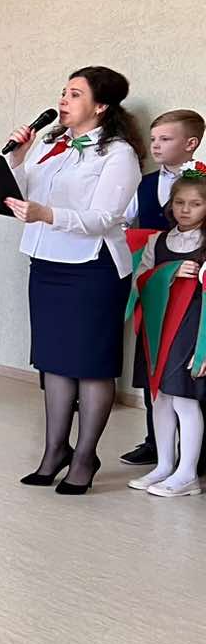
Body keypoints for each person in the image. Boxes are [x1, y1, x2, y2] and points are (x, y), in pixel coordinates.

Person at [6, 66, 143, 494]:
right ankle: (54, 451)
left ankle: (85, 457)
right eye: (63, 92)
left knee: (91, 364)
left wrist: (47, 214)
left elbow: (104, 218)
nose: (63, 100)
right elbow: (24, 195)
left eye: (75, 94)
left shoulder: (118, 154)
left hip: (93, 268)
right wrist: (17, 159)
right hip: (46, 262)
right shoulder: (54, 143)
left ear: (100, 106)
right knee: (54, 360)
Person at [119, 109, 204, 467]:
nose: (155, 145)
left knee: (189, 380)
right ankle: (156, 444)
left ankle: (195, 456)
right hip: (157, 282)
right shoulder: (144, 183)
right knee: (155, 367)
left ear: (191, 143)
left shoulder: (202, 180)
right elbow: (125, 222)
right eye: (153, 139)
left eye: (165, 139)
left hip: (194, 292)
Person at [125, 170, 206, 497]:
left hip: (191, 330)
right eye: (180, 202)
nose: (186, 210)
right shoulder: (156, 242)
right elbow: (140, 282)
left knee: (184, 399)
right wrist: (170, 271)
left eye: (196, 204)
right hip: (157, 330)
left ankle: (187, 474)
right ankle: (164, 464)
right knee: (159, 398)